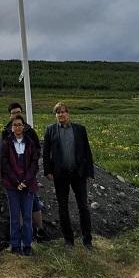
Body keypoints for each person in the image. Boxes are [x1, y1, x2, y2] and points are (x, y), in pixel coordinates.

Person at [43, 102, 94, 249]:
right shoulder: (50, 130)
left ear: (68, 114)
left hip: (78, 174)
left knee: (83, 206)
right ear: (55, 115)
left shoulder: (80, 130)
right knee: (63, 207)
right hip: (60, 175)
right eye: (58, 113)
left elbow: (87, 151)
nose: (61, 115)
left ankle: (87, 240)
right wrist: (48, 171)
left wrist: (89, 172)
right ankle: (68, 240)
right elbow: (46, 153)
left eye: (63, 112)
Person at [1, 102, 47, 241]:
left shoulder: (30, 131)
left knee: (34, 203)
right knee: (17, 209)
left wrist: (28, 176)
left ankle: (39, 230)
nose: (16, 115)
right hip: (12, 177)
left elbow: (36, 151)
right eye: (14, 113)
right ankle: (19, 236)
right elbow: (4, 157)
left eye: (19, 112)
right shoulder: (5, 132)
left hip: (28, 175)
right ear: (10, 115)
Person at [0, 114, 39, 256]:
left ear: (23, 127)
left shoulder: (30, 143)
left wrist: (25, 181)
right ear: (11, 128)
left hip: (28, 185)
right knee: (15, 217)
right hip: (12, 185)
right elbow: (4, 164)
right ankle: (15, 245)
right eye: (15, 125)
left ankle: (27, 245)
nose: (17, 127)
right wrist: (16, 182)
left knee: (27, 217)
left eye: (19, 125)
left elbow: (34, 164)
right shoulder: (6, 143)